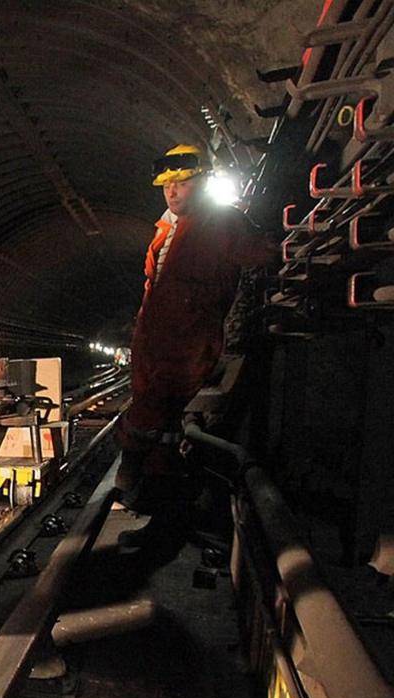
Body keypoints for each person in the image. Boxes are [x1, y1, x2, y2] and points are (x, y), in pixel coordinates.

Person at [117, 144, 270, 540]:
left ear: (201, 182)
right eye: (167, 185)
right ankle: (159, 509)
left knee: (151, 416)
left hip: (187, 345)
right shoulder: (164, 231)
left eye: (182, 183)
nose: (173, 191)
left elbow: (264, 255)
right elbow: (154, 290)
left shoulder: (222, 224)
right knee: (163, 425)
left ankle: (136, 482)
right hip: (153, 342)